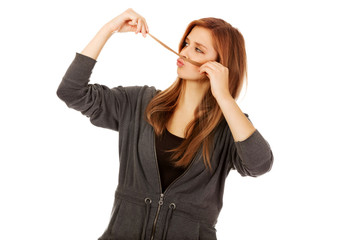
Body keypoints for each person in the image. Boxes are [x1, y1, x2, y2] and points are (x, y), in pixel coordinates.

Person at [56, 8, 274, 240]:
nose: (184, 52)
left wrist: (224, 97)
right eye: (187, 43)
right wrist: (109, 29)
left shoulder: (230, 127)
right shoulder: (139, 103)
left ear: (220, 67)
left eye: (198, 49)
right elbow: (71, 92)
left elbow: (260, 164)